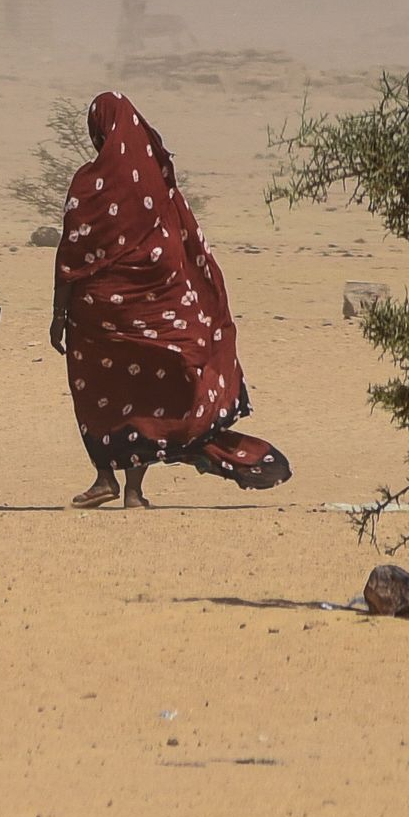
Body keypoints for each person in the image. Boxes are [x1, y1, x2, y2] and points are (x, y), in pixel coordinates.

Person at [50, 91, 291, 507]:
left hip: (94, 322)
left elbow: (70, 254)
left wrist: (58, 315)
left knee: (102, 394)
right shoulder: (157, 187)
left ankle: (106, 477)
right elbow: (182, 253)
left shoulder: (87, 186)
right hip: (151, 317)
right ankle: (133, 492)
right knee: (147, 395)